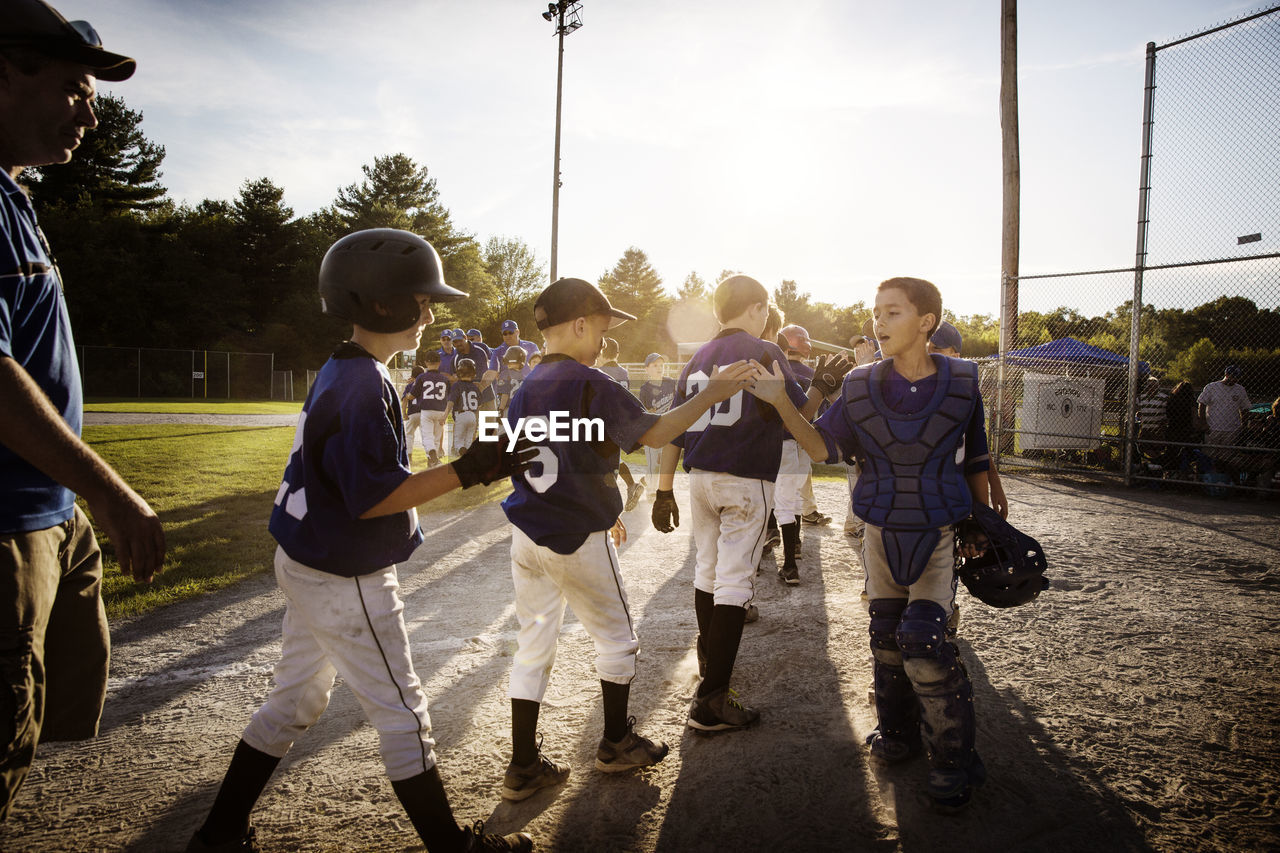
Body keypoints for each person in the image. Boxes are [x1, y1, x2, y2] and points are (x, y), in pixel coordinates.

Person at [188, 229, 534, 853]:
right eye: (422, 301)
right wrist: (469, 469)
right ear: (380, 302)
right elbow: (372, 497)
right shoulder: (362, 383)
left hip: (308, 556)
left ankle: (218, 833)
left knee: (293, 701)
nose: (430, 314)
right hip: (344, 573)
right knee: (402, 712)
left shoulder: (345, 369)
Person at [0, 1, 166, 822]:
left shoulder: (14, 195)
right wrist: (108, 487)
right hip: (4, 518)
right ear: (3, 71)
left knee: (30, 724)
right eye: (72, 86)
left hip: (46, 508)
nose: (91, 111)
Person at [497, 277, 754, 801]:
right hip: (575, 536)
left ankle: (523, 766)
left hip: (527, 534)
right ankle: (616, 743)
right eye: (602, 327)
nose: (604, 340)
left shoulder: (525, 387)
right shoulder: (591, 382)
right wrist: (714, 391)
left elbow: (559, 451)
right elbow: (655, 433)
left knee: (532, 647)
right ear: (580, 323)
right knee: (618, 640)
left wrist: (603, 496)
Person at [752, 276, 993, 811]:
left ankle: (956, 758)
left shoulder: (961, 381)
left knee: (924, 642)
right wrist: (780, 403)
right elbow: (819, 447)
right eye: (876, 314)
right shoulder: (860, 385)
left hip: (936, 532)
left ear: (926, 321)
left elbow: (974, 454)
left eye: (892, 313)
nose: (878, 324)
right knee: (885, 637)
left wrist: (983, 519)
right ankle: (898, 733)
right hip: (882, 531)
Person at [652, 275, 848, 732]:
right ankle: (712, 700)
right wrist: (820, 386)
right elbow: (799, 418)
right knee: (735, 583)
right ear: (758, 308)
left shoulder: (697, 357)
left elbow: (673, 429)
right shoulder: (765, 350)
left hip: (700, 478)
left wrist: (663, 490)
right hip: (745, 478)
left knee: (707, 571)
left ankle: (711, 662)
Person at [596, 337, 645, 511]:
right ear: (617, 354)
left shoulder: (599, 372)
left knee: (603, 461)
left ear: (601, 353)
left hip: (604, 422)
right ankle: (631, 486)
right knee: (614, 458)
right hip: (621, 422)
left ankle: (608, 500)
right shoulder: (624, 373)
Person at [1198, 366, 1250, 474]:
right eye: (1232, 376)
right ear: (1226, 375)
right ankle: (1209, 478)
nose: (1234, 379)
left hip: (1231, 430)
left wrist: (1243, 426)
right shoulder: (1212, 387)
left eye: (1237, 377)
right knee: (1210, 455)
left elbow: (1245, 409)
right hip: (1213, 428)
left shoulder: (1240, 389)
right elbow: (1201, 404)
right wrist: (1203, 423)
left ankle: (1224, 479)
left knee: (1226, 458)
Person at [405, 351, 450, 466]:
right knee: (436, 436)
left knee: (427, 436)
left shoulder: (422, 377)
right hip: (440, 409)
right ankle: (432, 461)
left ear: (426, 362)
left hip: (427, 410)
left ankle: (433, 457)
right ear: (439, 363)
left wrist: (407, 395)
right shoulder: (444, 379)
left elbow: (412, 395)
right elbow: (448, 396)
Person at [636, 353, 677, 481]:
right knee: (653, 466)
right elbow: (642, 412)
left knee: (663, 466)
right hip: (652, 431)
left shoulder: (670, 383)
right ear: (647, 369)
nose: (659, 368)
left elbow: (677, 402)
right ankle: (650, 493)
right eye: (655, 365)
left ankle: (645, 483)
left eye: (661, 365)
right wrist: (649, 412)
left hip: (668, 429)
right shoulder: (645, 389)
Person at [444, 357, 481, 458]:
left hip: (461, 414)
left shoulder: (457, 385)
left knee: (458, 443)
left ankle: (462, 453)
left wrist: (444, 416)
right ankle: (468, 462)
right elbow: (479, 406)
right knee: (469, 442)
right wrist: (477, 420)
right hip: (473, 415)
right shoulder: (475, 387)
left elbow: (451, 401)